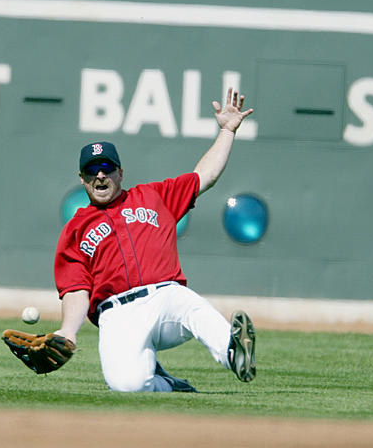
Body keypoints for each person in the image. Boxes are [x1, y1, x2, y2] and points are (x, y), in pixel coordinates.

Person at [53, 87, 257, 392]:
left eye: (106, 168)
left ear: (120, 172)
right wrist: (68, 332)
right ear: (82, 178)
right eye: (91, 170)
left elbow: (204, 176)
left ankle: (232, 350)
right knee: (128, 387)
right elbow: (75, 288)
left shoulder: (153, 197)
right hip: (116, 314)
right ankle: (167, 385)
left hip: (165, 300)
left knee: (190, 305)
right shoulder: (76, 229)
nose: (100, 176)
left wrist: (227, 131)